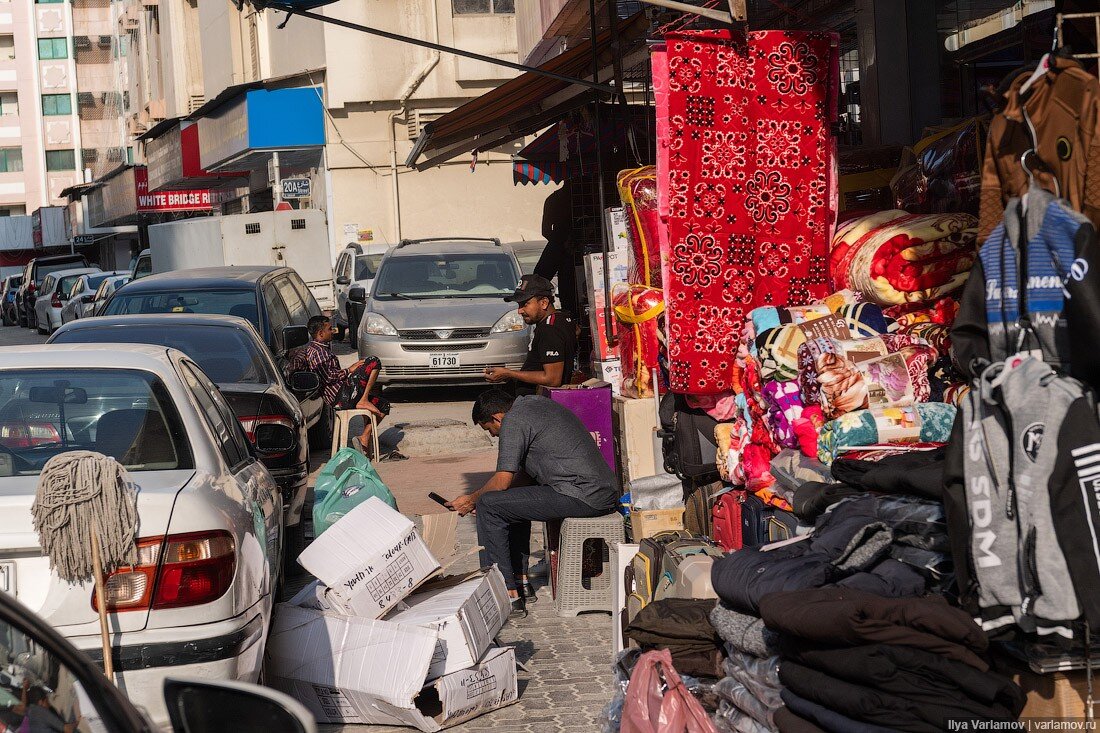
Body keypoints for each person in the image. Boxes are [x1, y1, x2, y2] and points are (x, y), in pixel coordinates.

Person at [447, 388, 617, 615]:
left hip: (582, 494)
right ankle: (521, 580)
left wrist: (472, 499)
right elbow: (519, 482)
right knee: (505, 502)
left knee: (489, 504)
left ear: (497, 417)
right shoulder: (535, 405)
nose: (493, 436)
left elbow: (502, 480)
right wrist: (496, 499)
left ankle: (506, 594)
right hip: (600, 491)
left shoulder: (513, 420)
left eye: (490, 429)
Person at [286, 315, 388, 454]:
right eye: (329, 329)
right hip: (341, 396)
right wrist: (349, 370)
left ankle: (364, 438)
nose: (333, 331)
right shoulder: (318, 352)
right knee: (373, 361)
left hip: (345, 392)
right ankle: (363, 400)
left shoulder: (323, 349)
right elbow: (327, 377)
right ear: (320, 333)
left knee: (382, 406)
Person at [484, 274, 577, 395]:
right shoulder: (561, 318)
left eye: (525, 304)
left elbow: (552, 379)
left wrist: (508, 373)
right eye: (519, 305)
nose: (519, 311)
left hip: (534, 405)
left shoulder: (549, 329)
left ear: (544, 302)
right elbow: (576, 331)